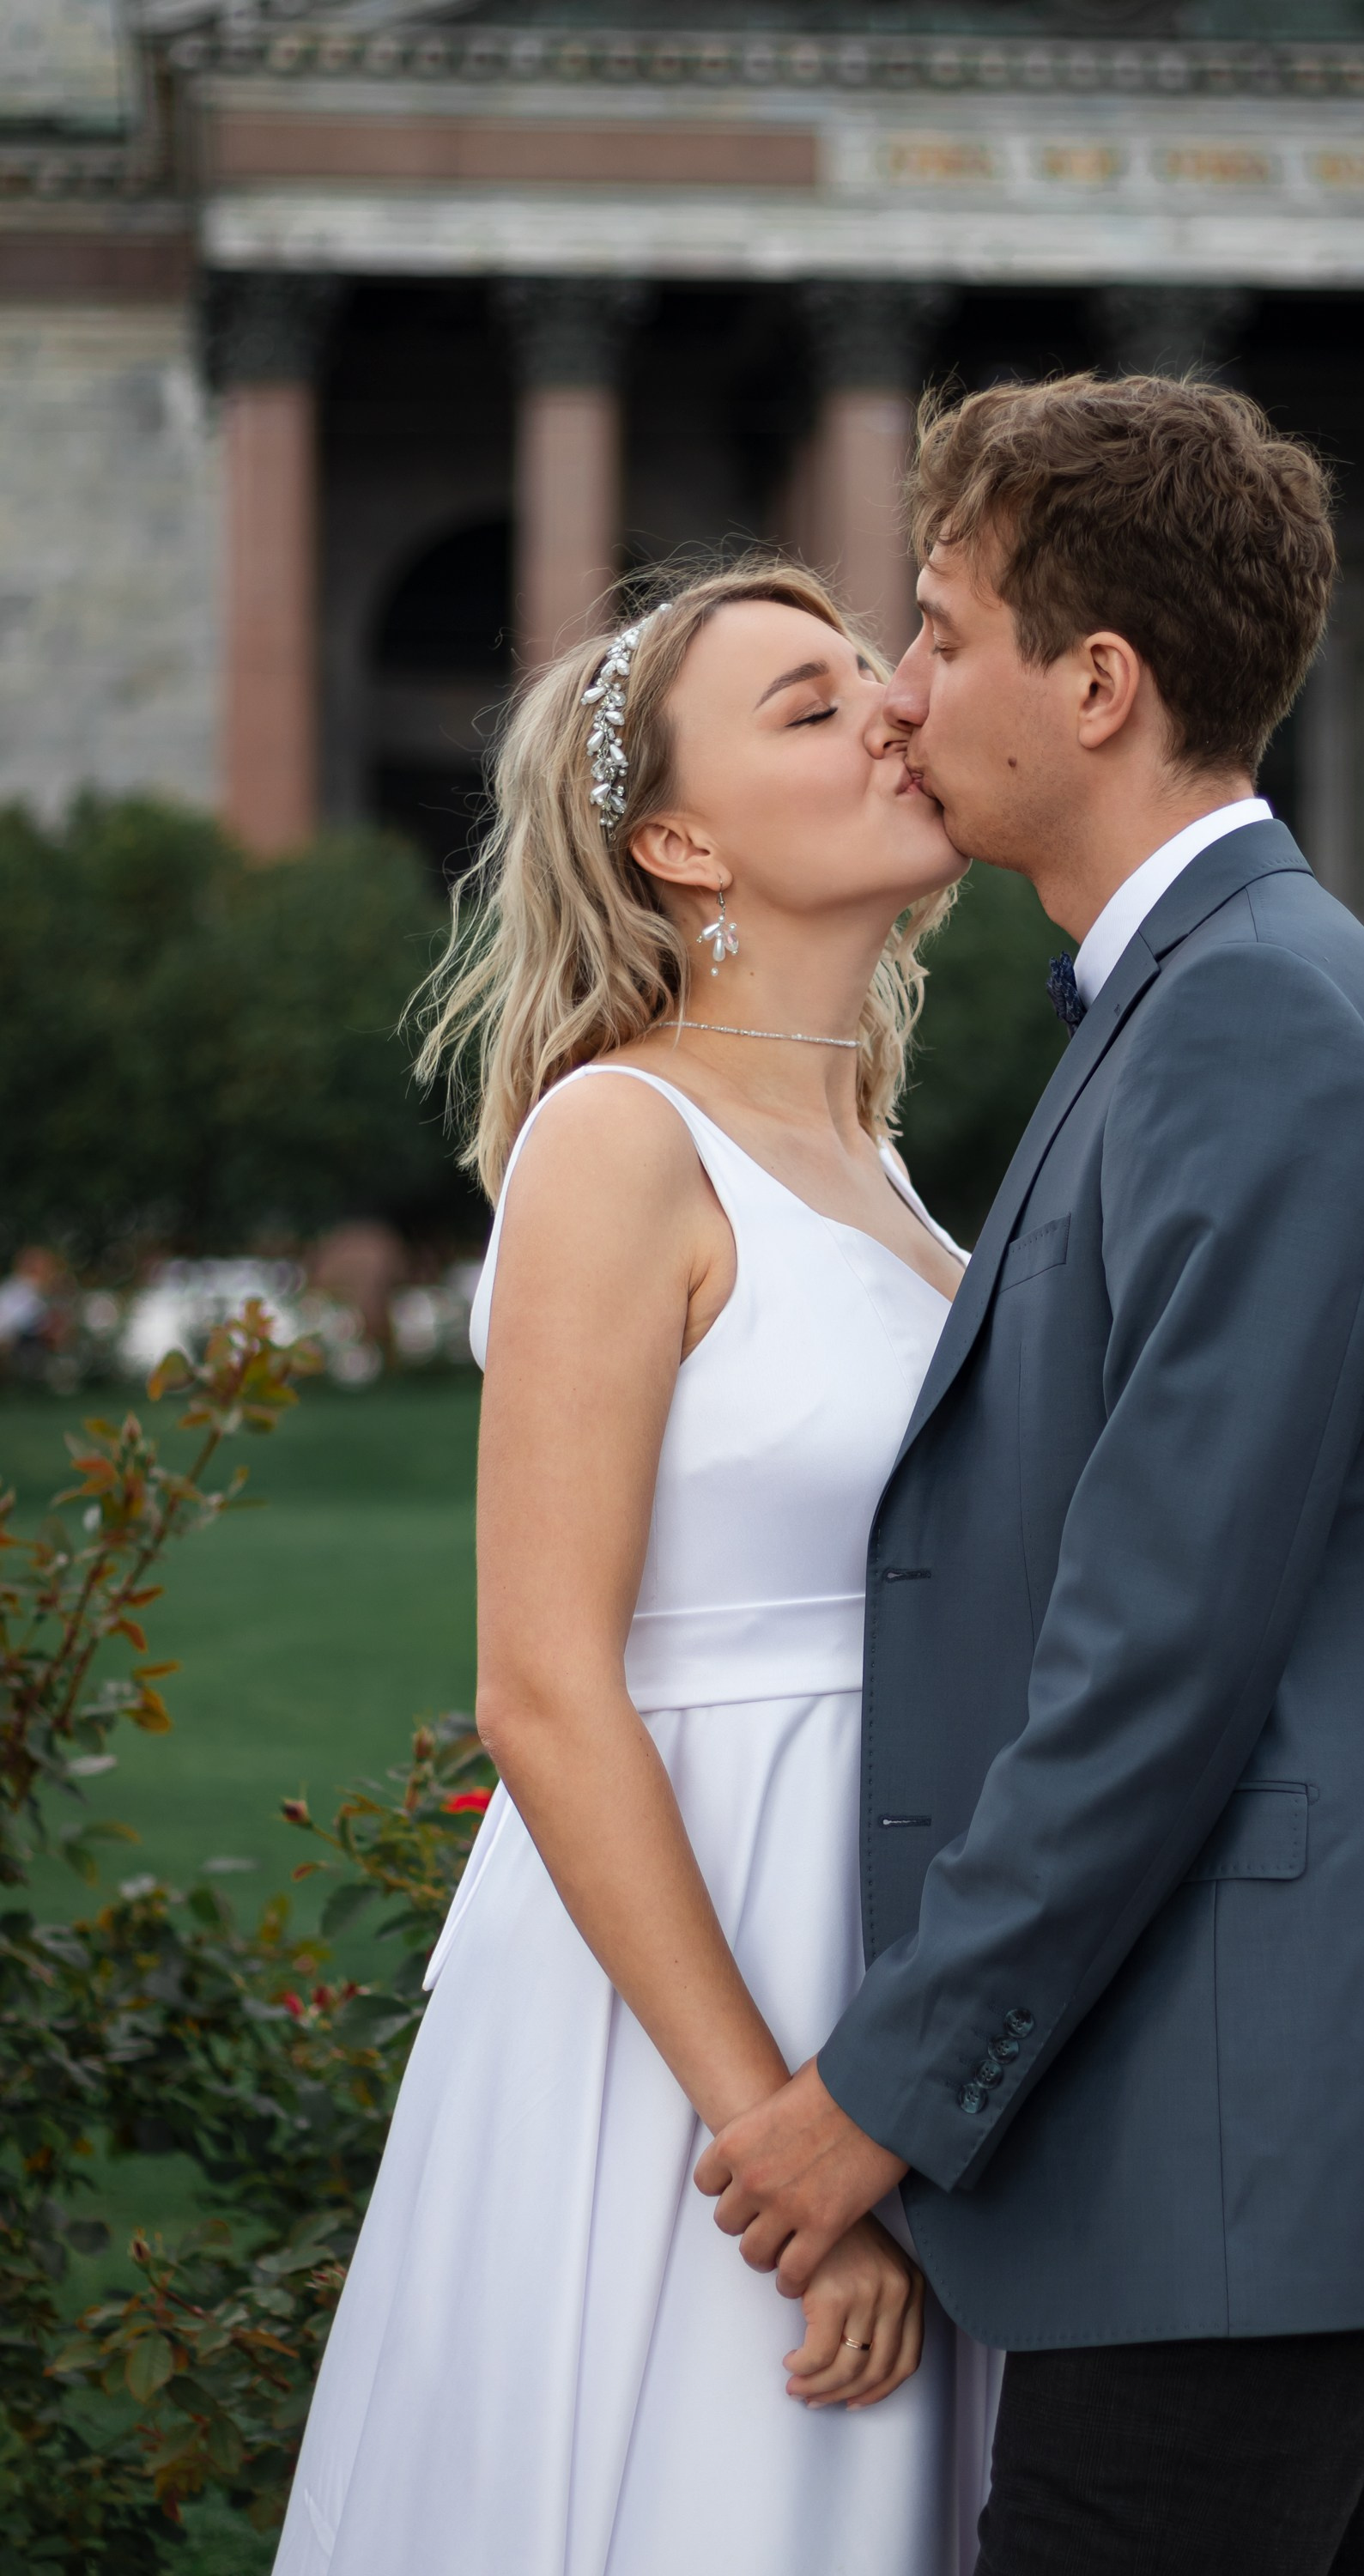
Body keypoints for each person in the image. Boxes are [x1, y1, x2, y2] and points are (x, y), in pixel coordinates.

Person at [694, 374, 1364, 2575]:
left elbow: (1157, 1652)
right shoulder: (1200, 998)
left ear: (1098, 684)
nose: (904, 693)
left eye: (940, 634)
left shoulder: (1251, 1021)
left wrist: (880, 2095)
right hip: (1267, 2132)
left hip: (1236, 2120)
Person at [271, 562, 1002, 2576]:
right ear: (679, 845)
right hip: (690, 2003)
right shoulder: (619, 1140)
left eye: (877, 670)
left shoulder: (876, 1151)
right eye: (805, 702)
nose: (889, 709)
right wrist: (781, 2139)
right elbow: (543, 1686)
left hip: (884, 1962)